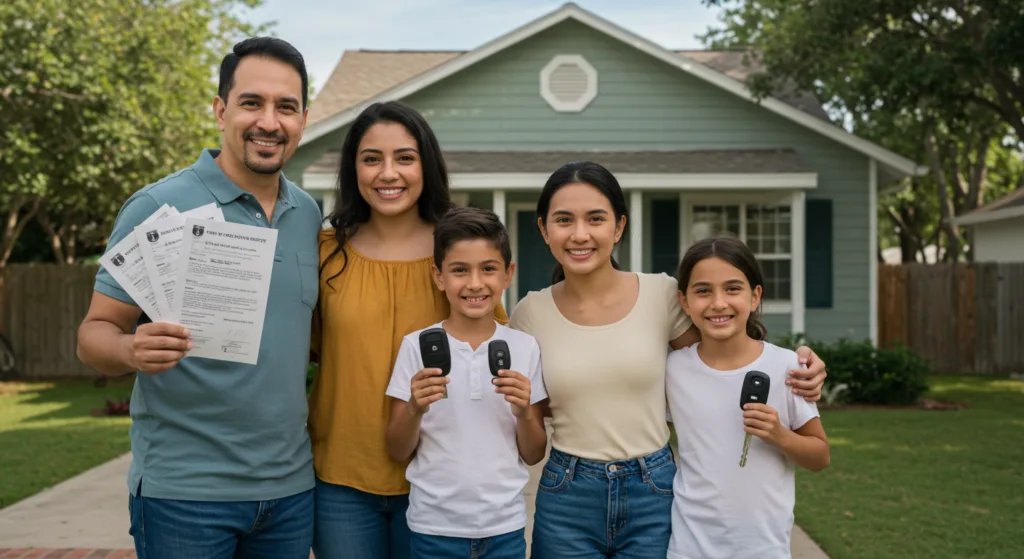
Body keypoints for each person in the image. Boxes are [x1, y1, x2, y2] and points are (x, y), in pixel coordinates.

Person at [507, 161, 828, 558]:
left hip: (651, 490)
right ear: (543, 229)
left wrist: (798, 366)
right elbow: (531, 438)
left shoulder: (661, 294)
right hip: (567, 491)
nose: (580, 234)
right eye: (563, 220)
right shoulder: (529, 314)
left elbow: (722, 353)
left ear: (619, 226)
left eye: (595, 218)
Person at [75, 37, 320, 558]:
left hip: (290, 492)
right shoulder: (159, 205)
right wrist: (128, 350)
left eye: (286, 106)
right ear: (220, 109)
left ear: (304, 118)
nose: (269, 122)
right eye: (252, 103)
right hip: (185, 494)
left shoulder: (310, 217)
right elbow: (93, 334)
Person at [309, 100, 508, 558]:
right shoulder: (324, 253)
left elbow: (494, 356)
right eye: (371, 158)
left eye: (404, 157)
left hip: (440, 481)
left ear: (426, 165)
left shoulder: (458, 256)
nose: (388, 173)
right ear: (352, 168)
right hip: (342, 477)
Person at [384, 206, 548, 559]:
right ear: (439, 276)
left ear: (508, 274)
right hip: (433, 529)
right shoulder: (416, 346)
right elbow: (397, 450)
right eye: (459, 270)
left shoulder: (524, 346)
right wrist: (414, 408)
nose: (475, 284)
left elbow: (534, 453)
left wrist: (523, 413)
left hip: (504, 528)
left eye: (488, 269)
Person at [666, 235, 830, 558]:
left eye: (732, 288)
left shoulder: (786, 366)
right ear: (684, 302)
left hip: (763, 548)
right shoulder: (673, 370)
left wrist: (780, 435)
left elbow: (820, 456)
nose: (718, 303)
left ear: (755, 296)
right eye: (702, 291)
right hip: (689, 546)